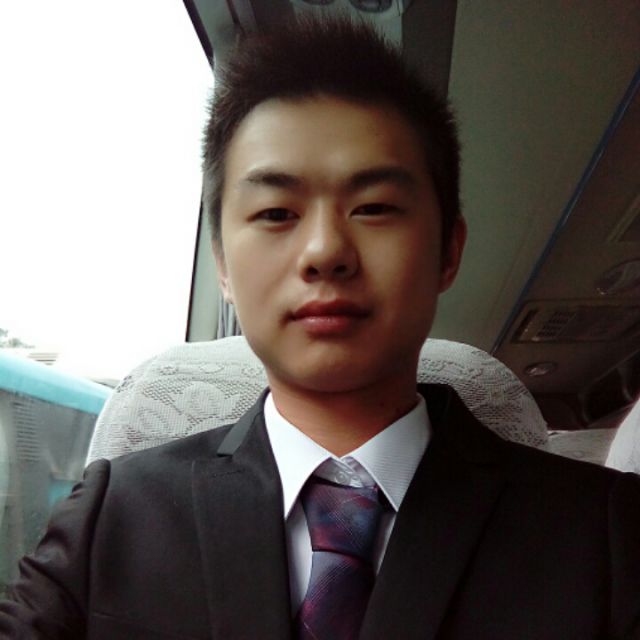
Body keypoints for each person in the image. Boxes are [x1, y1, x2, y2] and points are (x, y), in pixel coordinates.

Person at [1, 17, 639, 640]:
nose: (325, 250)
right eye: (276, 212)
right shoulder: (112, 514)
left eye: (375, 207)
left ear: (449, 250)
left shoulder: (606, 532)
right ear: (222, 265)